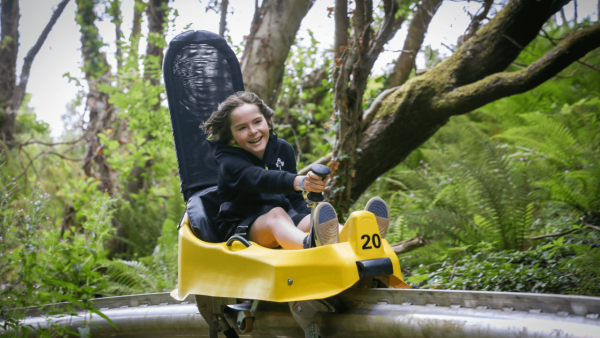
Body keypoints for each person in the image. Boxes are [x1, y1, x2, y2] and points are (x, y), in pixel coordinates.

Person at [203, 91, 390, 249]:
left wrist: (310, 217)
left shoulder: (282, 149)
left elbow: (293, 199)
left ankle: (359, 237)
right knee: (276, 215)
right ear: (232, 137)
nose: (252, 131)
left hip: (284, 220)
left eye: (257, 122)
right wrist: (301, 182)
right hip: (241, 228)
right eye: (242, 128)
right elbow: (258, 178)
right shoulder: (228, 160)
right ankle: (311, 245)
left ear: (268, 122)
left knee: (312, 221)